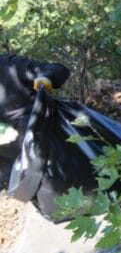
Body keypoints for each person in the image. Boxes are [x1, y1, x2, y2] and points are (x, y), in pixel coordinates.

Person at [0, 54, 70, 189]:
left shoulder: (9, 65)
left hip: (41, 147)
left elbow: (59, 69)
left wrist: (46, 78)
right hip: (11, 165)